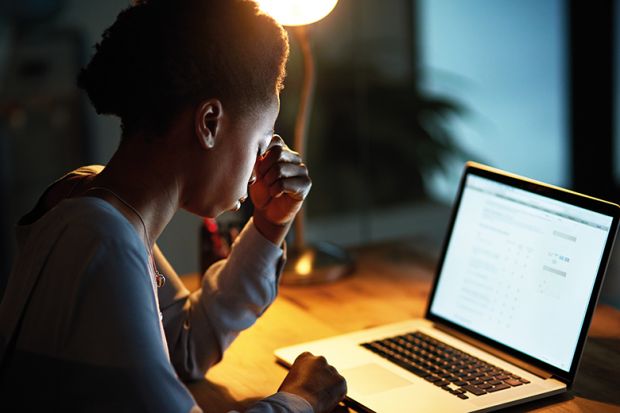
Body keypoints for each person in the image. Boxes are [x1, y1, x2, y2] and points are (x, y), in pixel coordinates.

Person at [0, 0, 347, 412]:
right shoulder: (102, 240)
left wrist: (270, 224)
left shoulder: (96, 204)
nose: (262, 165)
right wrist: (300, 401)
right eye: (260, 140)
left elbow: (185, 347)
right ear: (210, 123)